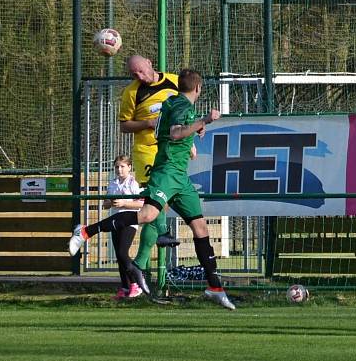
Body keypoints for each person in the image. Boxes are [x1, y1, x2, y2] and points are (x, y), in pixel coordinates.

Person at [70, 69, 236, 310]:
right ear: (198, 88)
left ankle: (215, 288)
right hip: (167, 171)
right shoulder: (184, 107)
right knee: (147, 215)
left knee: (200, 228)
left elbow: (169, 123)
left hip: (180, 177)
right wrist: (204, 121)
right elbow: (176, 132)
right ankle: (85, 231)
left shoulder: (170, 100)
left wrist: (195, 127)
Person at [119, 55, 181, 282]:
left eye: (140, 71)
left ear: (149, 63)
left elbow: (186, 108)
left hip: (173, 152)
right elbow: (124, 125)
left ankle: (138, 268)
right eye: (133, 74)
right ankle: (143, 262)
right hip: (147, 151)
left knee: (158, 209)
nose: (138, 76)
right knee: (157, 204)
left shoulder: (175, 81)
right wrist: (148, 123)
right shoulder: (132, 92)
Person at [103, 155, 144, 300]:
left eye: (122, 166)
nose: (119, 170)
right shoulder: (113, 183)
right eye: (117, 167)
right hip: (116, 220)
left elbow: (140, 204)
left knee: (122, 253)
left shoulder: (133, 183)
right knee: (119, 256)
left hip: (129, 221)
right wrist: (111, 202)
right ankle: (125, 288)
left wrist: (124, 204)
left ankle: (135, 284)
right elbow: (105, 203)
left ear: (129, 167)